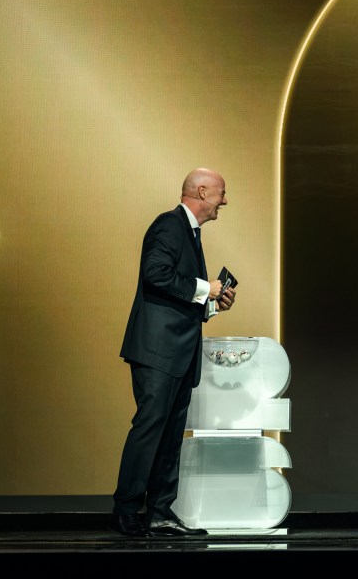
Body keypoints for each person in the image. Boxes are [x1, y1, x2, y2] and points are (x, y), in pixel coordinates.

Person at [108, 168, 236, 538]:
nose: (224, 202)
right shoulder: (168, 225)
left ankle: (161, 512)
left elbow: (178, 293)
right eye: (221, 194)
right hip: (158, 350)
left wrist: (213, 303)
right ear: (201, 191)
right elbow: (156, 274)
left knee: (169, 435)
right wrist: (205, 287)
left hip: (177, 351)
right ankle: (127, 509)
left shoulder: (189, 233)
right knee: (150, 429)